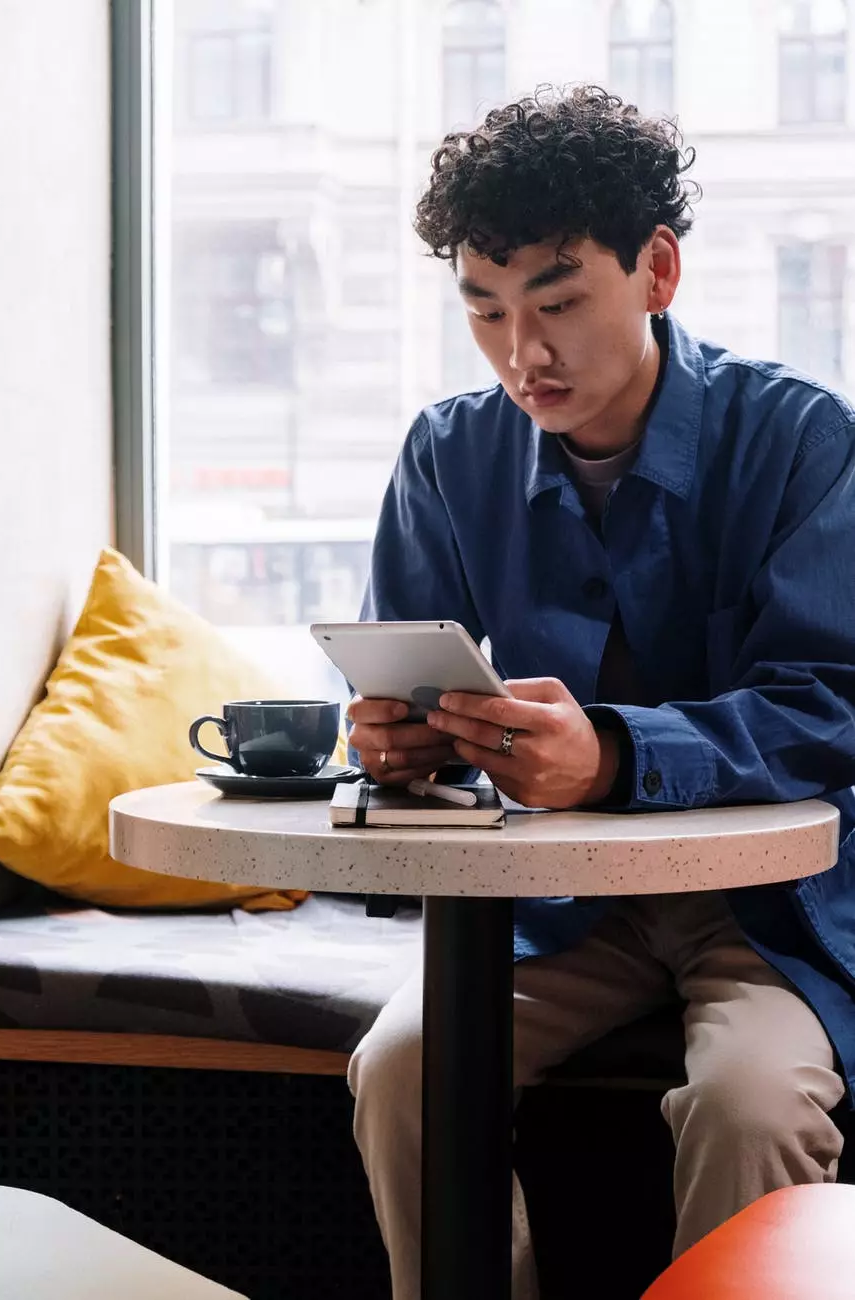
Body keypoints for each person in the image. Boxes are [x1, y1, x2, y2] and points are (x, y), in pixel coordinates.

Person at [345, 85, 855, 1300]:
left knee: (750, 1105)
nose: (523, 353)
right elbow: (407, 675)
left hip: (777, 908)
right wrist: (401, 743)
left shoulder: (803, 438)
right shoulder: (445, 455)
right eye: (486, 308)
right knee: (401, 1067)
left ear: (659, 270)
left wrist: (616, 755)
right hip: (558, 898)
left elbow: (835, 705)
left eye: (560, 302)